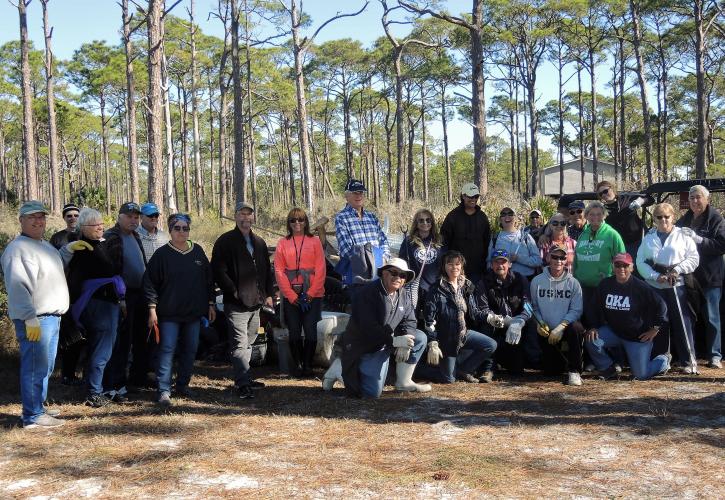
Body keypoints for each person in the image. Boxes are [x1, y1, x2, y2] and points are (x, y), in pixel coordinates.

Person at [1, 201, 69, 428]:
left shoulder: (44, 246)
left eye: (41, 217)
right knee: (34, 367)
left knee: (45, 366)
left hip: (52, 317)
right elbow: (18, 286)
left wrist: (67, 251)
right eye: (32, 217)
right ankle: (32, 416)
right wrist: (29, 317)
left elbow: (52, 269)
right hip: (36, 319)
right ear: (21, 220)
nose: (38, 221)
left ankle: (37, 406)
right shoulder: (18, 249)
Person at [144, 213, 216, 407]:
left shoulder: (198, 252)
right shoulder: (162, 255)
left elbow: (208, 280)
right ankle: (164, 391)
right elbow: (150, 283)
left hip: (193, 313)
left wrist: (210, 304)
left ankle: (183, 385)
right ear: (170, 230)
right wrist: (152, 309)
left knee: (190, 349)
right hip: (168, 314)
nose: (182, 232)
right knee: (167, 350)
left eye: (185, 228)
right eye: (177, 228)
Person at [340, 258, 431, 398]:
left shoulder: (404, 294)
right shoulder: (367, 293)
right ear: (383, 273)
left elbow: (411, 320)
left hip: (386, 342)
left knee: (419, 338)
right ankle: (337, 368)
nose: (398, 278)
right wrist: (394, 342)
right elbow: (368, 328)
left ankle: (403, 381)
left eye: (402, 275)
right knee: (371, 394)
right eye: (394, 272)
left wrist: (406, 339)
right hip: (365, 346)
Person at [212, 201, 275, 399]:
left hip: (256, 303)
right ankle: (242, 384)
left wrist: (269, 294)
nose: (245, 218)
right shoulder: (225, 241)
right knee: (240, 345)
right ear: (236, 216)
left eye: (249, 214)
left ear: (253, 217)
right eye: (242, 214)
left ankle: (245, 375)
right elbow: (218, 271)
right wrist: (233, 290)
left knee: (250, 340)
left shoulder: (259, 242)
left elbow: (266, 270)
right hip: (236, 304)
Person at [64, 208, 125, 408]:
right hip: (98, 305)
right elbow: (110, 268)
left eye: (101, 223)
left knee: (104, 348)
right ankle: (94, 392)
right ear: (84, 228)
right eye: (95, 225)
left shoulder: (99, 244)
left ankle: (102, 388)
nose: (100, 227)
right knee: (102, 349)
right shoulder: (83, 248)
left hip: (108, 303)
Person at [586, 253, 670, 380]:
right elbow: (593, 307)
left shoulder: (640, 287)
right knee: (591, 339)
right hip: (614, 332)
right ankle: (607, 368)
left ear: (632, 267)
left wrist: (655, 328)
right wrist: (593, 326)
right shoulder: (605, 285)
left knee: (641, 375)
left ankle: (663, 361)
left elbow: (661, 305)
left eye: (625, 265)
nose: (621, 269)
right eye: (618, 265)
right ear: (613, 267)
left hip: (637, 337)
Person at [637, 203, 700, 373]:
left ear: (673, 217)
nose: (663, 220)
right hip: (655, 286)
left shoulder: (682, 235)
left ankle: (688, 362)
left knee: (681, 324)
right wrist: (655, 276)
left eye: (666, 216)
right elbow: (640, 261)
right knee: (658, 325)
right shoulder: (649, 237)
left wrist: (677, 270)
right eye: (659, 217)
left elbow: (694, 258)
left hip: (676, 285)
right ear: (654, 219)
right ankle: (661, 362)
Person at [419, 251, 496, 384]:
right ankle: (417, 368)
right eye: (450, 264)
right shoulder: (436, 289)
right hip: (445, 340)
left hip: (463, 334)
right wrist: (432, 341)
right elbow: (429, 318)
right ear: (444, 266)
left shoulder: (466, 286)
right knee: (449, 380)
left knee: (490, 345)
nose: (454, 267)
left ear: (462, 266)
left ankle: (463, 370)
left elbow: (474, 312)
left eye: (457, 264)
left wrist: (490, 317)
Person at [102, 202, 148, 401]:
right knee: (121, 341)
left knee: (138, 340)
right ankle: (115, 383)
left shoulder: (136, 236)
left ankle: (132, 380)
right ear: (119, 216)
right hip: (122, 297)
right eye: (129, 216)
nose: (133, 220)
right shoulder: (112, 237)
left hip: (140, 295)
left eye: (136, 217)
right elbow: (110, 271)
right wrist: (119, 298)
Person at [676, 185, 725, 369]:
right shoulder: (685, 219)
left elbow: (721, 244)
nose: (695, 201)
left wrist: (699, 240)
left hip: (711, 277)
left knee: (712, 317)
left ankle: (715, 355)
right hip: (689, 278)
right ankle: (691, 355)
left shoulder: (716, 219)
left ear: (707, 199)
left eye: (698, 197)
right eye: (691, 198)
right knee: (690, 317)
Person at [274, 207, 326, 377]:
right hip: (291, 293)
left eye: (301, 219)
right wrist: (290, 295)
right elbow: (279, 271)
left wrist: (311, 293)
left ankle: (308, 365)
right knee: (294, 330)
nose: (297, 223)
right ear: (288, 223)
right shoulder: (283, 243)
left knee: (310, 329)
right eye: (293, 220)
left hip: (313, 292)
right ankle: (297, 364)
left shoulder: (315, 241)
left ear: (306, 222)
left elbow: (321, 268)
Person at [530, 244, 585, 386]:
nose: (558, 261)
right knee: (551, 372)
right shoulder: (537, 281)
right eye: (555, 257)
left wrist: (561, 327)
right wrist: (539, 323)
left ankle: (575, 371)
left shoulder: (573, 283)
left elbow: (576, 310)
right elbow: (534, 307)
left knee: (576, 329)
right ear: (548, 258)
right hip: (546, 329)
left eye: (562, 257)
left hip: (565, 328)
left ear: (566, 260)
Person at [474, 249, 532, 380]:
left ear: (510, 264)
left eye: (503, 262)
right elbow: (482, 309)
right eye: (496, 262)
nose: (500, 265)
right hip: (495, 324)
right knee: (485, 327)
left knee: (516, 369)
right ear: (491, 265)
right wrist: (500, 320)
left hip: (517, 326)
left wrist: (519, 321)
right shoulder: (483, 282)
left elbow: (528, 307)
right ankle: (488, 369)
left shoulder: (521, 280)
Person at [49, 202, 83, 386]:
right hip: (64, 292)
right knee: (69, 334)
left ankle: (86, 373)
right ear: (64, 218)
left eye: (76, 215)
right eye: (69, 215)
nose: (72, 218)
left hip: (85, 291)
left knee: (86, 334)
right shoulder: (57, 238)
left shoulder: (85, 235)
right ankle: (67, 374)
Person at [573, 200, 625, 316]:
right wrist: (575, 276)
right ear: (586, 216)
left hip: (604, 287)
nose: (595, 217)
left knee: (600, 320)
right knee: (585, 319)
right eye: (591, 214)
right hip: (583, 287)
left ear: (604, 215)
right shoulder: (583, 235)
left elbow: (622, 260)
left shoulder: (612, 234)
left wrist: (616, 281)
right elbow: (576, 259)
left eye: (599, 214)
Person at [334, 179, 389, 285]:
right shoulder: (341, 218)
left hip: (378, 268)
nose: (358, 196)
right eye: (355, 193)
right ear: (347, 196)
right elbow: (346, 249)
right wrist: (367, 263)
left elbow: (383, 240)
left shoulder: (371, 216)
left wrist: (385, 258)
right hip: (356, 271)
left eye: (361, 192)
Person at [440, 183, 492, 283]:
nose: (473, 199)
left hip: (478, 270)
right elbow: (444, 242)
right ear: (463, 196)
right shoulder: (452, 216)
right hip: (456, 270)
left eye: (476, 196)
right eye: (470, 196)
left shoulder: (482, 217)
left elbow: (487, 242)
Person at [398, 208, 445, 314]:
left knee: (431, 320)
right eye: (421, 220)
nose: (425, 223)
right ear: (416, 223)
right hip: (414, 287)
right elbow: (402, 264)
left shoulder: (439, 240)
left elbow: (444, 264)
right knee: (412, 318)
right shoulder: (409, 241)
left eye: (428, 220)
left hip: (434, 287)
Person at [596, 180, 653, 260]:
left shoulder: (626, 198)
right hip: (619, 246)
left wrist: (641, 201)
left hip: (638, 241)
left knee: (641, 267)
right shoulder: (603, 210)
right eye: (601, 194)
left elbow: (650, 199)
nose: (604, 195)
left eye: (605, 191)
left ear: (612, 188)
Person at [487, 207, 542, 280]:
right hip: (502, 283)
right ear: (500, 219)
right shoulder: (495, 238)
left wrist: (519, 258)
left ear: (515, 218)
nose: (507, 216)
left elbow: (538, 261)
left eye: (510, 214)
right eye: (503, 214)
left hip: (525, 281)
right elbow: (489, 262)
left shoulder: (526, 237)